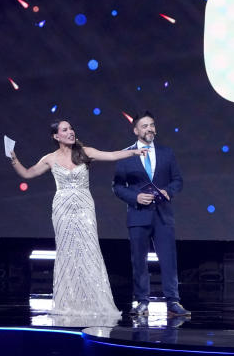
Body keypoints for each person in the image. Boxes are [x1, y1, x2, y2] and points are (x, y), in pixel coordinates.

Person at [10, 119, 146, 319]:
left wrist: (133, 152)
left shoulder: (84, 152)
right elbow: (27, 174)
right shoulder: (50, 158)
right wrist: (13, 158)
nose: (70, 132)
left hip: (84, 207)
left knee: (89, 249)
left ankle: (94, 300)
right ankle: (69, 301)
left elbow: (112, 155)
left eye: (71, 128)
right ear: (56, 136)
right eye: (65, 130)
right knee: (67, 251)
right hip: (62, 208)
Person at [112, 111, 189, 317]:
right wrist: (135, 197)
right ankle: (142, 301)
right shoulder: (126, 154)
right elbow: (118, 187)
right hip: (138, 214)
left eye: (152, 125)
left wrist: (168, 191)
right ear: (136, 130)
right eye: (144, 126)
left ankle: (173, 302)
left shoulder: (167, 152)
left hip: (163, 214)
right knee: (139, 260)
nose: (149, 129)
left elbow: (177, 180)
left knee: (168, 259)